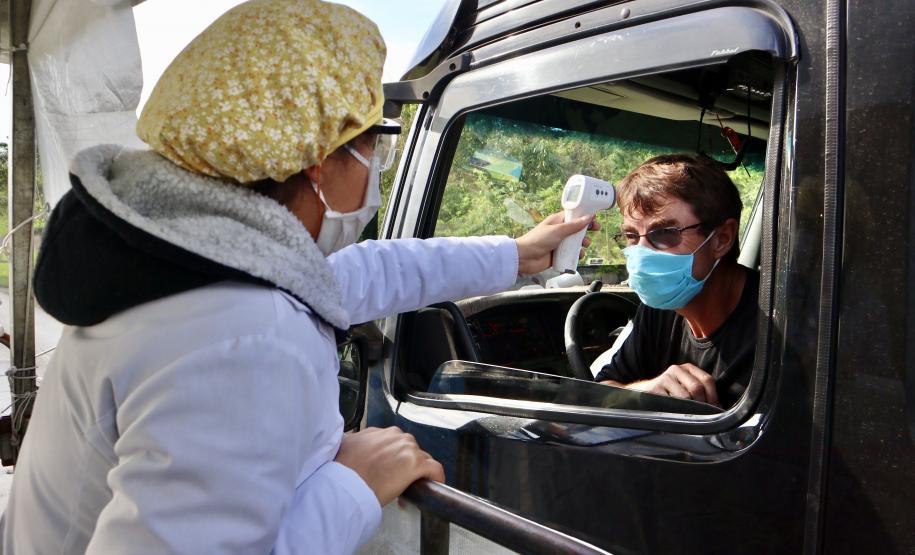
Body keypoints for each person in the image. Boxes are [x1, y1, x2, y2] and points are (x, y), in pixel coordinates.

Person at [0, 1, 596, 553]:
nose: (374, 173)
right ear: (318, 162)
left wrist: (517, 255)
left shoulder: (184, 264)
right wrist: (354, 485)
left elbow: (360, 273)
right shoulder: (241, 334)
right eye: (373, 150)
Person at [594, 154, 759, 408]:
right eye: (631, 236)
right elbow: (602, 391)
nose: (641, 252)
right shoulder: (660, 308)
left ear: (722, 239)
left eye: (663, 233)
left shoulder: (777, 325)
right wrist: (645, 391)